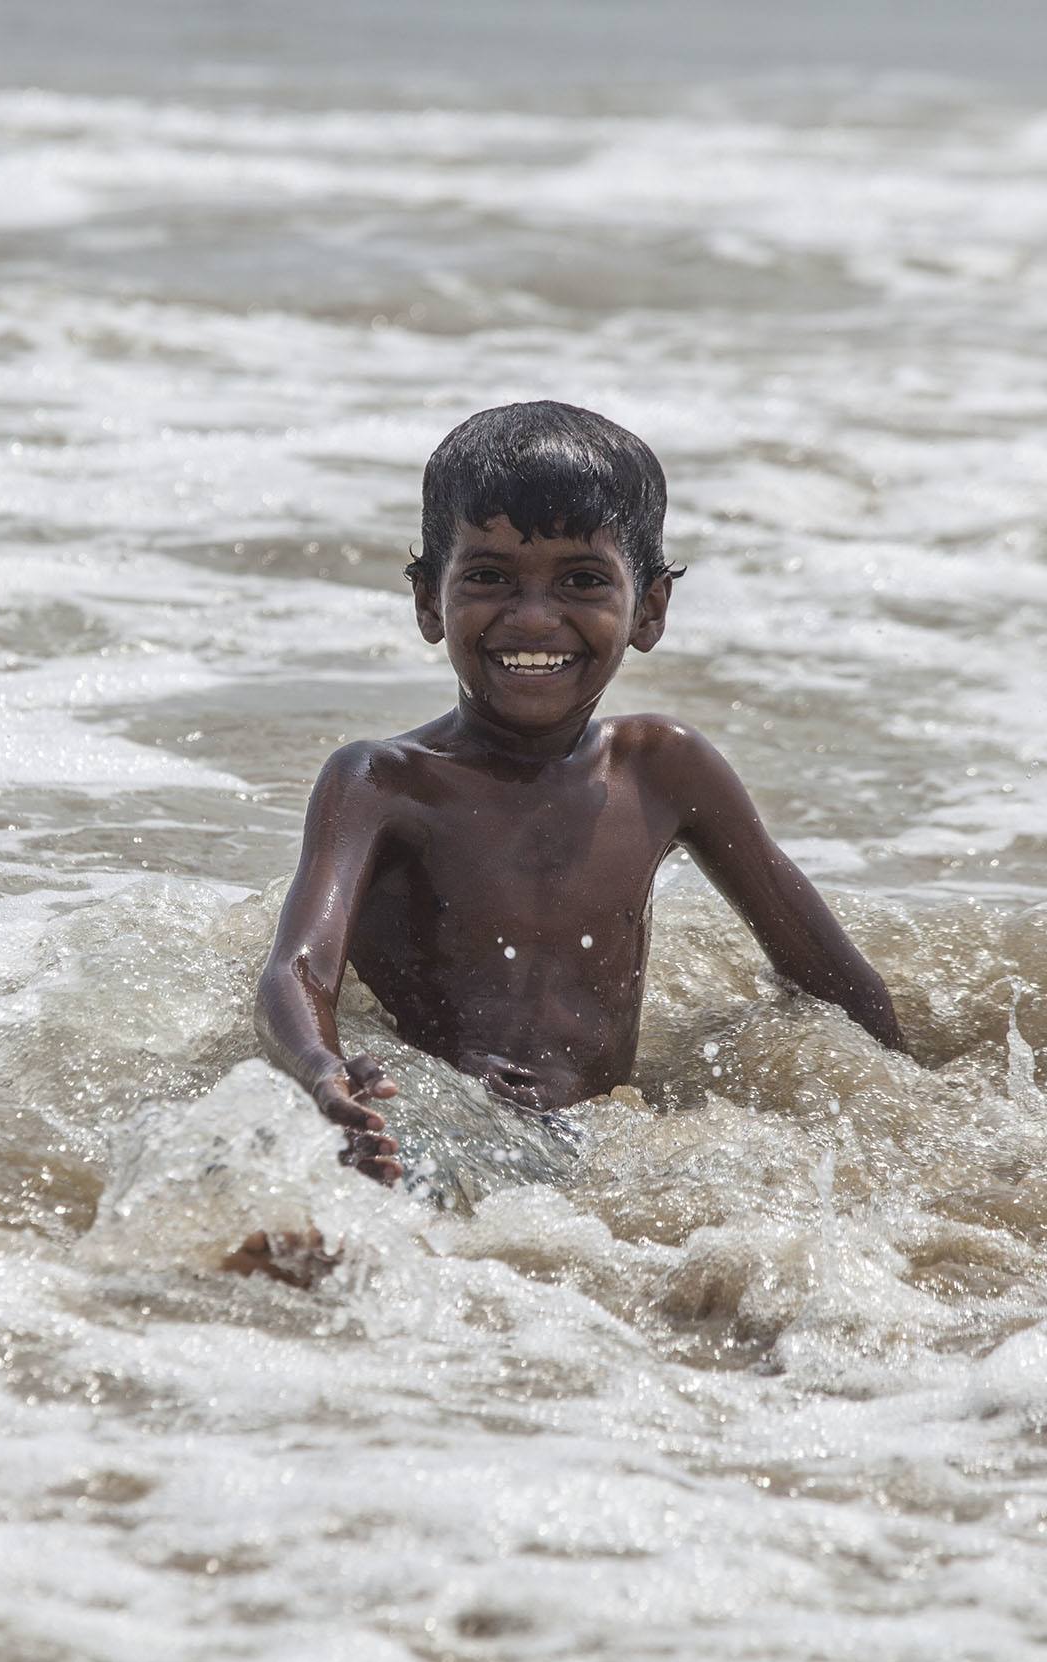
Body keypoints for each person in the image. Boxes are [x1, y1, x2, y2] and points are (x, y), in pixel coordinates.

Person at [255, 400, 905, 1186]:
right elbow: (295, 974)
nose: (533, 618)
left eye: (583, 580)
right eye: (490, 577)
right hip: (436, 1131)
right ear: (430, 600)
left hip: (609, 1151)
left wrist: (909, 1107)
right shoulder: (382, 783)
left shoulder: (665, 768)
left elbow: (834, 983)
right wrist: (326, 1075)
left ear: (650, 608)